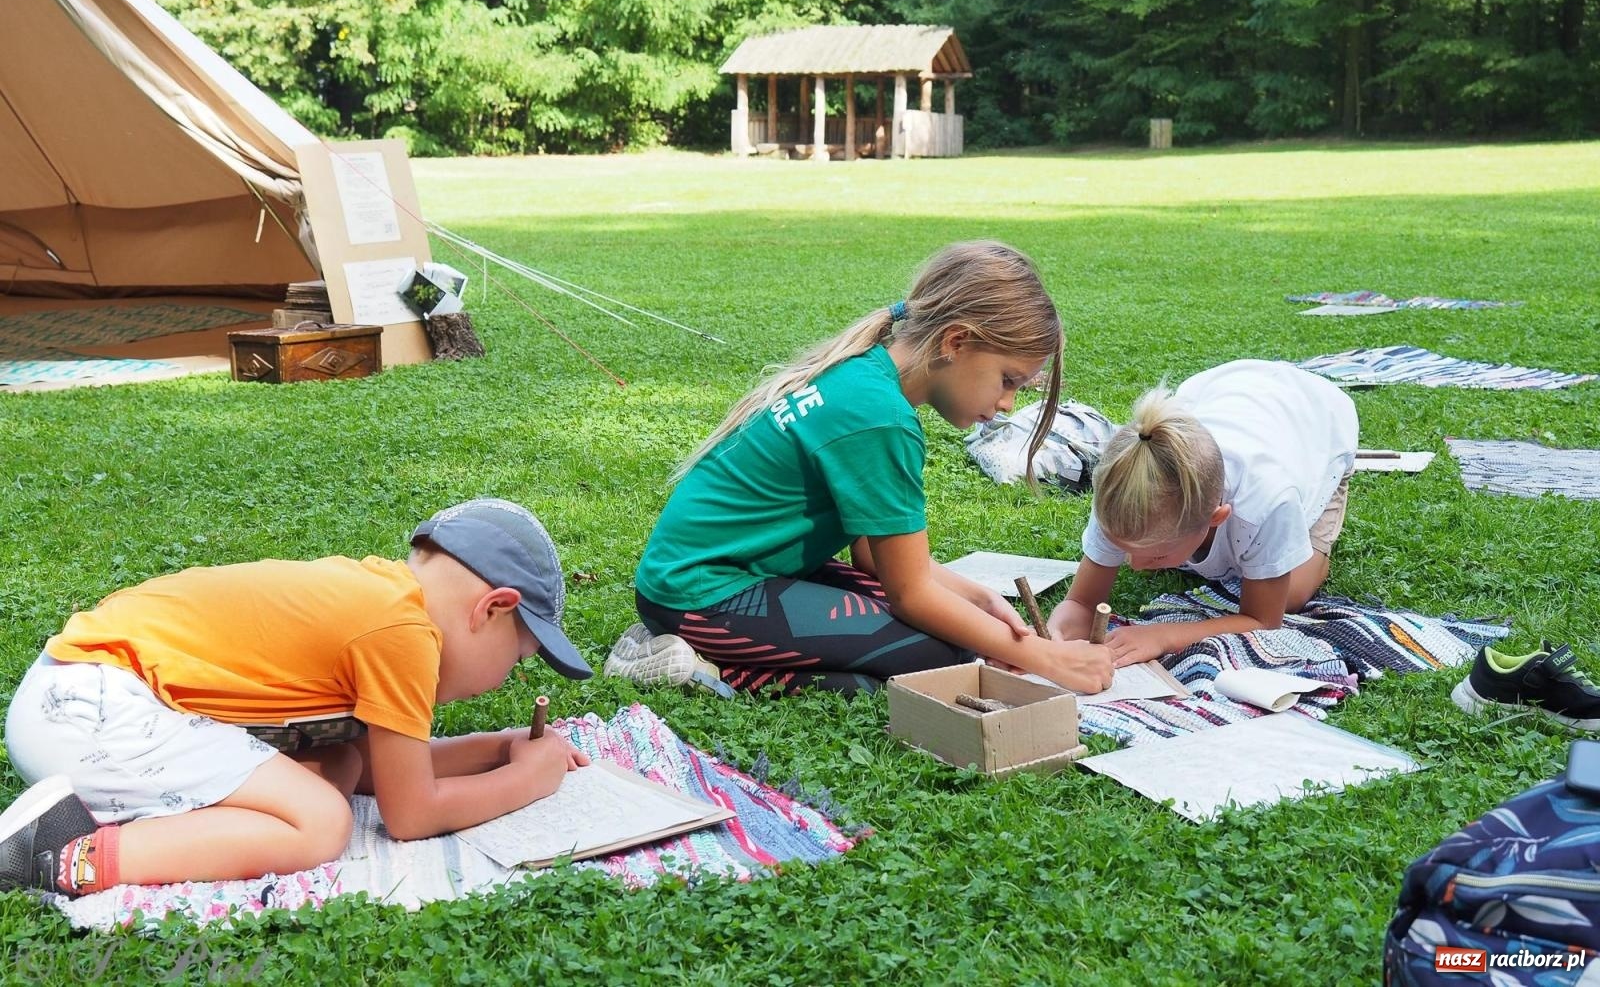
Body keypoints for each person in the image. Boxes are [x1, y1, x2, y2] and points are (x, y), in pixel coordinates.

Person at [0, 498, 593, 896]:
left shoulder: (387, 604)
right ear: (492, 610)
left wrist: (499, 748)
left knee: (339, 764)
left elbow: (379, 773)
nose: (505, 679)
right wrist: (527, 780)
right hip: (91, 709)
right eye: (517, 659)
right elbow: (411, 813)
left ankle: (116, 825)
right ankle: (56, 854)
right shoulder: (405, 635)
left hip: (76, 696)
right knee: (321, 823)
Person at [620, 240, 1114, 696]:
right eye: (1008, 380)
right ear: (956, 342)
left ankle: (725, 652)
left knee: (960, 634)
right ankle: (699, 663)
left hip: (747, 572)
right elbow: (912, 594)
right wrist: (1047, 658)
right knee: (943, 658)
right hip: (700, 593)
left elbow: (872, 556)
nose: (1007, 404)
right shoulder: (879, 418)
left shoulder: (867, 377)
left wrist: (980, 602)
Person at [1047, 360, 1359, 665]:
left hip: (1318, 423)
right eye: (1124, 549)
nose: (1135, 565)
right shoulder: (1124, 488)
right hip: (1227, 387)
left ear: (1215, 518)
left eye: (1156, 555)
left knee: (1290, 595)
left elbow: (1263, 621)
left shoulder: (1268, 503)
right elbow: (1080, 601)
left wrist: (1162, 636)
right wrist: (1060, 633)